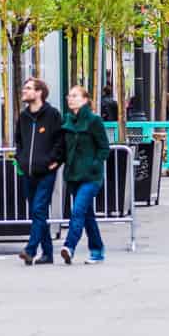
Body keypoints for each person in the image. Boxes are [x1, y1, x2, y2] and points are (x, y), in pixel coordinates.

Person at [14, 78, 65, 265]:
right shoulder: (24, 117)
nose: (24, 91)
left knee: (38, 209)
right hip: (28, 170)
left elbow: (60, 141)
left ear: (39, 93)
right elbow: (19, 141)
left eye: (28, 88)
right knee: (38, 213)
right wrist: (20, 159)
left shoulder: (52, 115)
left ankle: (30, 249)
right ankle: (48, 253)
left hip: (46, 171)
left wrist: (55, 160)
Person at [60, 83, 110, 263]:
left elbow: (104, 147)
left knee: (78, 210)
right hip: (72, 176)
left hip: (91, 177)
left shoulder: (94, 121)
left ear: (85, 100)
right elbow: (61, 148)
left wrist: (95, 165)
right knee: (87, 215)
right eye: (69, 96)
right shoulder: (66, 121)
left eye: (75, 96)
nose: (70, 99)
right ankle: (97, 250)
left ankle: (69, 246)